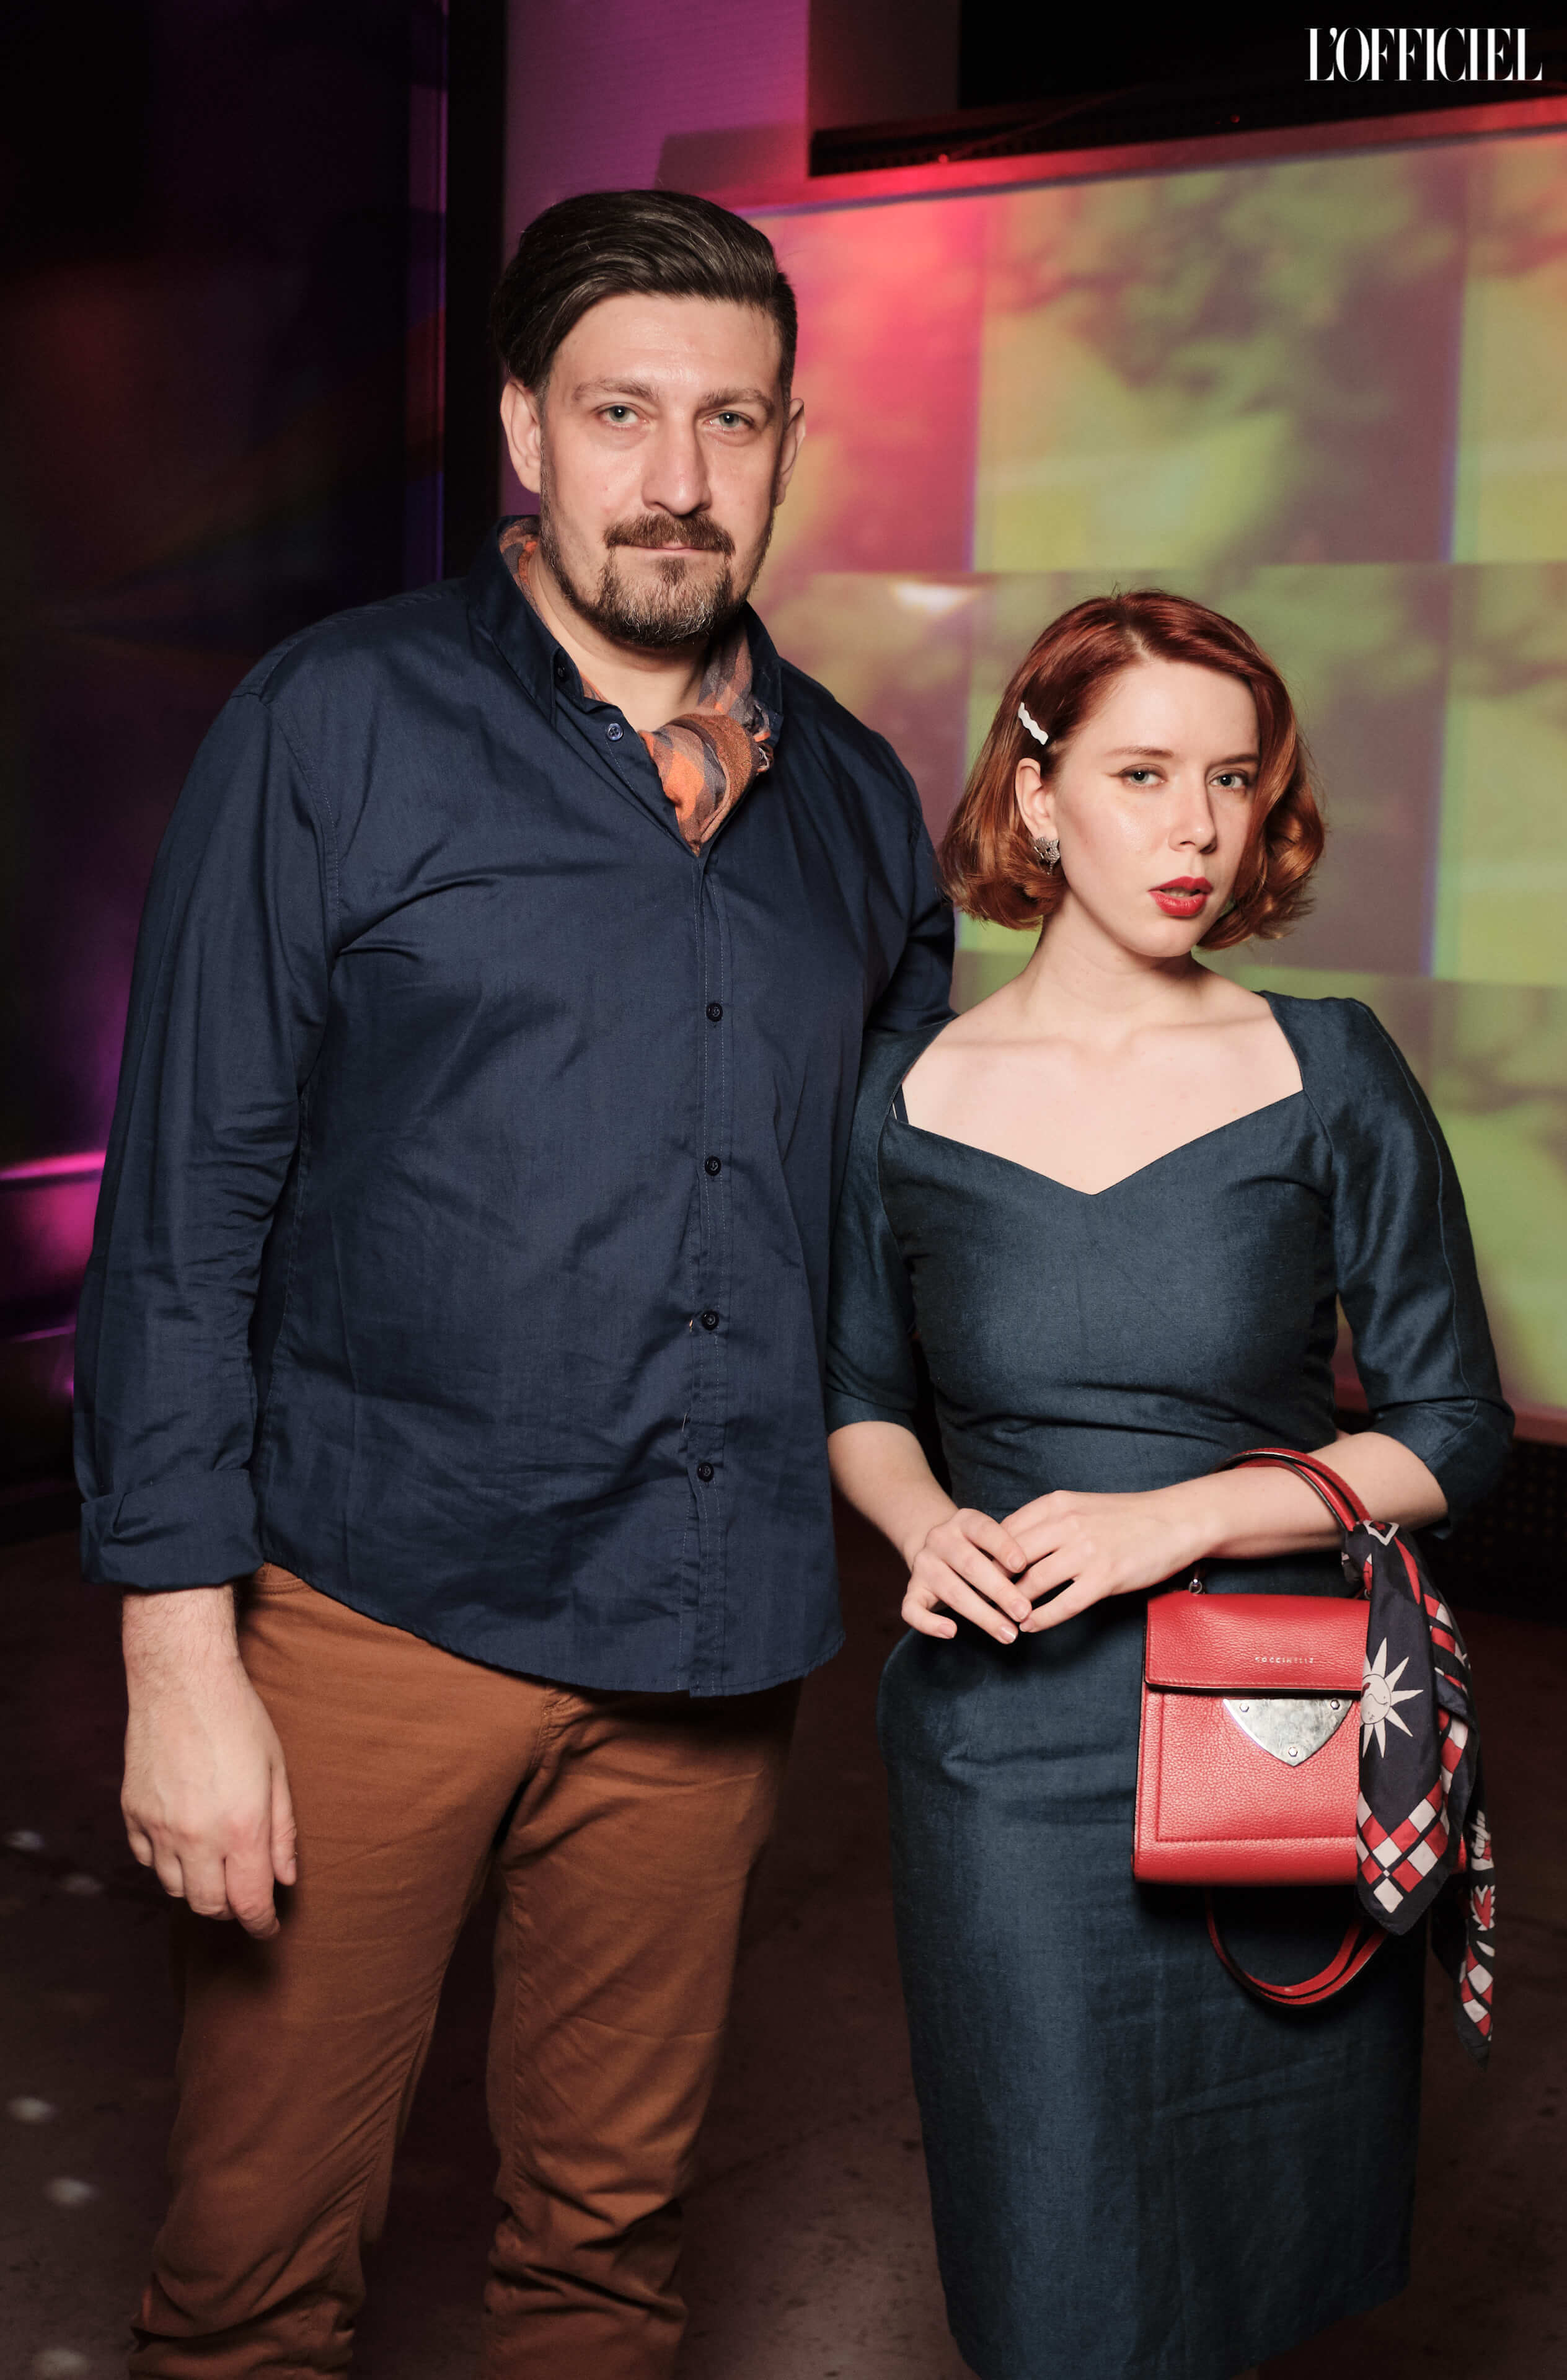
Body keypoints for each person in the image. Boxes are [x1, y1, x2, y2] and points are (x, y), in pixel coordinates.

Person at [74, 188, 952, 2378]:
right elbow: (183, 1210)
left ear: (789, 445)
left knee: (606, 2264)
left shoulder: (858, 805)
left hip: (708, 1636)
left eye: (731, 419)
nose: (678, 475)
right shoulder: (334, 725)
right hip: (372, 1618)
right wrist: (180, 1663)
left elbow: (902, 1228)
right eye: (621, 411)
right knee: (254, 2273)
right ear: (524, 434)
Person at [825, 591, 1511, 2380]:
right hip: (1002, 1746)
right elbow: (861, 1402)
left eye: (1231, 778)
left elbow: (1451, 1425)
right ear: (1036, 795)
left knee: (1254, 2248)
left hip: (1276, 1723)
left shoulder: (1328, 1067)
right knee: (1051, 2253)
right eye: (1142, 774)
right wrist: (923, 1526)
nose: (1197, 826)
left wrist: (1181, 1519)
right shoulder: (905, 1094)